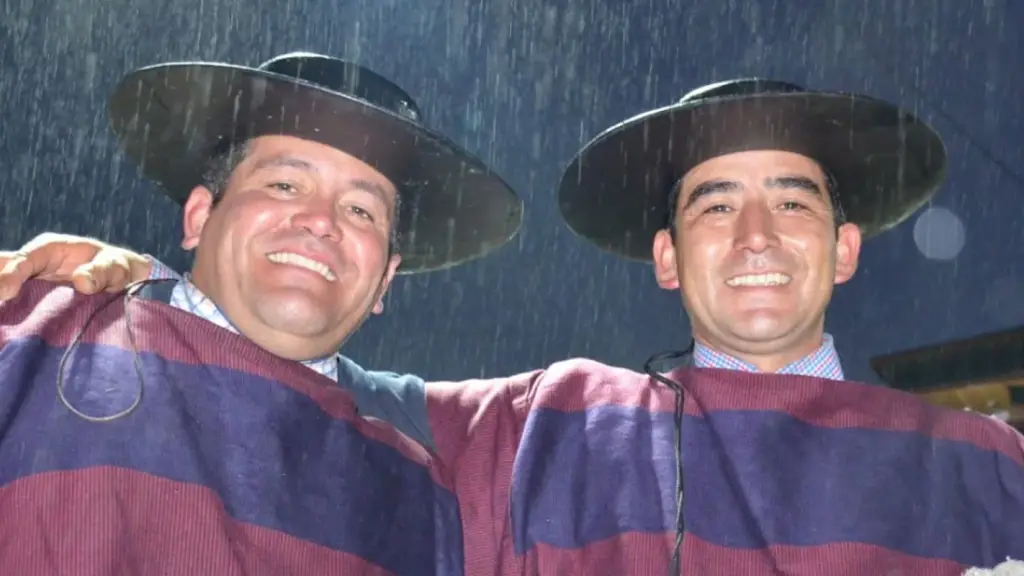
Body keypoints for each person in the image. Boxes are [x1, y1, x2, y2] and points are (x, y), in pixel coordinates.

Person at [7, 79, 1024, 575]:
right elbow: (274, 368)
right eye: (713, 204)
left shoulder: (988, 463)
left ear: (844, 247)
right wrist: (141, 291)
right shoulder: (547, 428)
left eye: (792, 202)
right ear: (664, 255)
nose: (755, 234)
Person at [0, 52, 524, 575]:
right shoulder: (32, 334)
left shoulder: (450, 463)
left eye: (361, 211)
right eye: (284, 185)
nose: (321, 221)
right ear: (200, 216)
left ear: (385, 278)